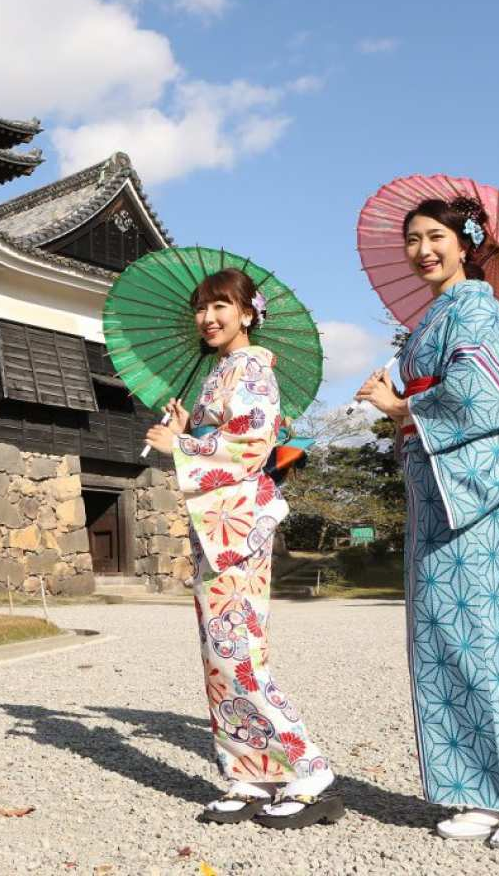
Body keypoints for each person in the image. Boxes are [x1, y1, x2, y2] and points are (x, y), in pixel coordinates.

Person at [355, 196, 499, 850]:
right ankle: (481, 792)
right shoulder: (437, 314)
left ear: (465, 244)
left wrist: (397, 406)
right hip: (436, 488)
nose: (422, 249)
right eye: (413, 239)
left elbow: (482, 397)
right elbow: (431, 386)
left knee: (475, 642)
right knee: (439, 641)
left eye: (435, 236)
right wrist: (400, 398)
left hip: (468, 492)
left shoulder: (478, 307)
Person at [145, 268, 340, 829]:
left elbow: (252, 449)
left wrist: (180, 443)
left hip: (237, 529)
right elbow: (219, 440)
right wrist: (189, 427)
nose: (207, 318)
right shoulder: (221, 373)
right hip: (217, 527)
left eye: (219, 307)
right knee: (218, 658)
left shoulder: (252, 368)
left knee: (239, 652)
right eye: (201, 309)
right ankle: (251, 772)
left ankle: (309, 770)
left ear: (248, 313)